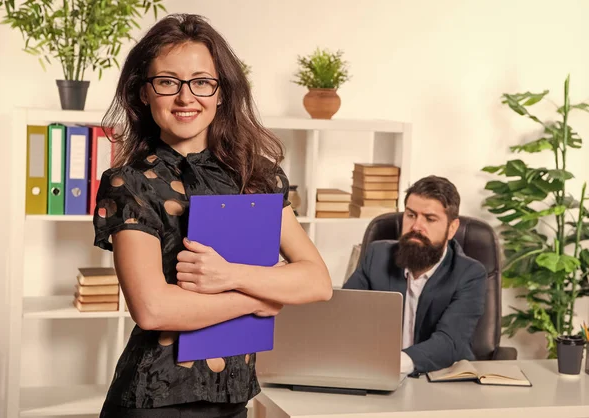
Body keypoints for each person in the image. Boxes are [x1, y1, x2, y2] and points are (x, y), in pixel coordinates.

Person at [92, 13, 332, 418]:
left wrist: (231, 276)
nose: (187, 98)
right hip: (155, 401)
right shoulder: (129, 183)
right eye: (168, 82)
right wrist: (261, 295)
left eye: (202, 82)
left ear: (221, 93)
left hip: (236, 398)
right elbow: (153, 309)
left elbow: (317, 281)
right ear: (144, 93)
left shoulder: (258, 175)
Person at [343, 175, 486, 376]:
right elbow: (344, 314)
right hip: (375, 375)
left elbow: (449, 341)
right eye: (410, 215)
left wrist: (394, 364)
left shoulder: (469, 274)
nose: (416, 226)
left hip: (440, 380)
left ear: (452, 228)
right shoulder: (377, 256)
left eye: (429, 218)